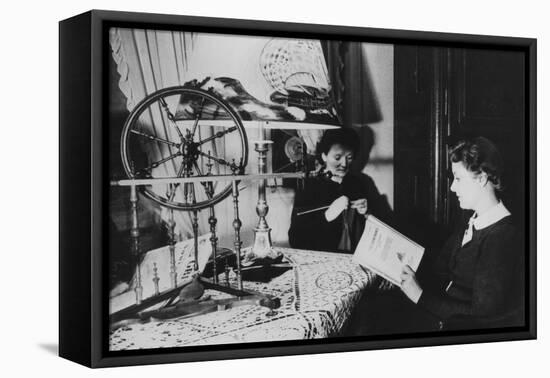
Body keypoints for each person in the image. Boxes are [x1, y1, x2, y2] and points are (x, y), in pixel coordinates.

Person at [288, 128, 391, 254]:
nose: (344, 164)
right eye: (337, 157)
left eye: (349, 157)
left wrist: (366, 214)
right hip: (321, 260)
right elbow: (295, 239)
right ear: (324, 156)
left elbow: (380, 231)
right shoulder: (309, 185)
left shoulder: (358, 183)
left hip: (353, 259)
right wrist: (327, 216)